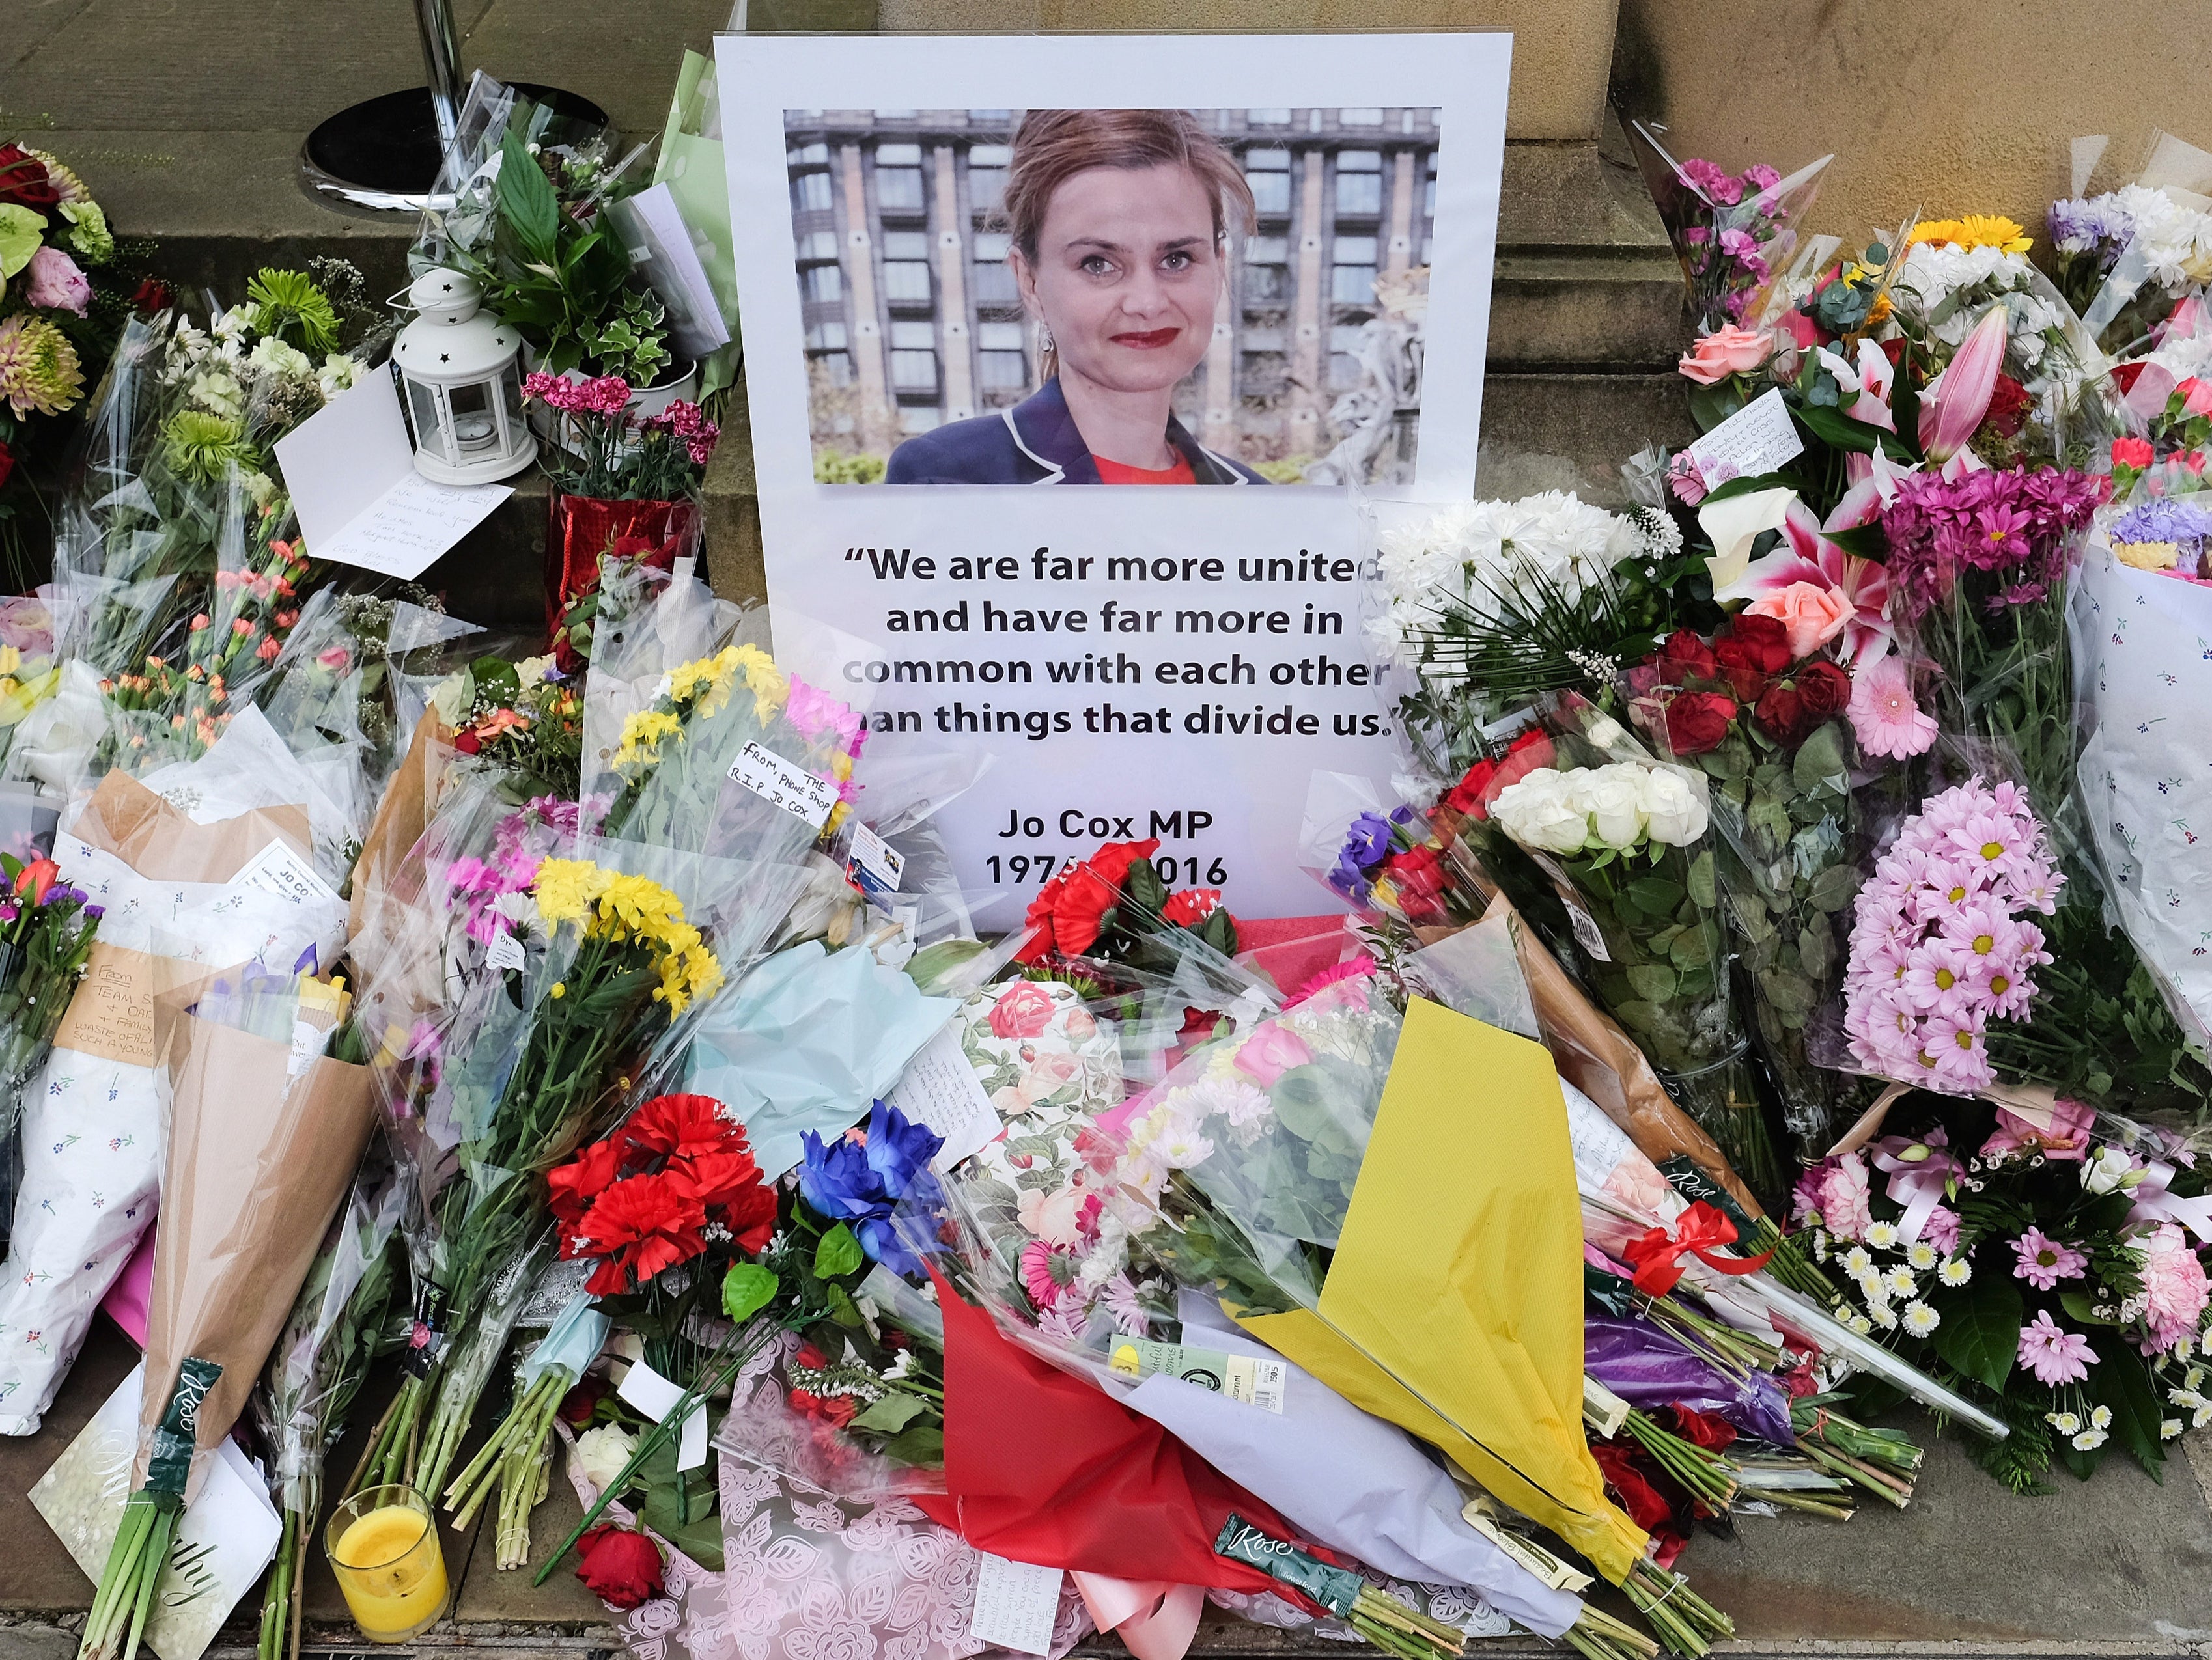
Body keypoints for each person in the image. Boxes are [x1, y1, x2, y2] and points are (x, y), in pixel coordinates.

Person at [885, 109, 1267, 486]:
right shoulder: (949, 477)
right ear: (1030, 281)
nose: (1147, 303)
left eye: (1176, 259)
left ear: (1218, 267)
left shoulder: (1260, 504)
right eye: (1097, 264)